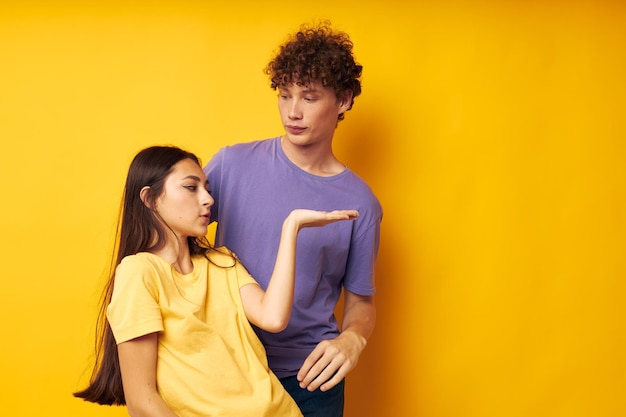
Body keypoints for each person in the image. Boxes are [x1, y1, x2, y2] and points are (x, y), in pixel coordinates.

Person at [73, 145, 358, 417]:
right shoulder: (140, 272)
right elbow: (142, 401)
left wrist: (291, 227)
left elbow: (273, 318)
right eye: (190, 187)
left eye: (207, 189)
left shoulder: (221, 261)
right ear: (149, 198)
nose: (208, 199)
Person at [204, 22, 382, 417]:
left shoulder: (361, 203)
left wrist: (353, 339)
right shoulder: (231, 165)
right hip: (226, 367)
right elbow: (169, 240)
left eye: (309, 97)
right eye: (285, 96)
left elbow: (361, 300)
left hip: (310, 380)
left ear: (344, 100)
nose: (293, 111)